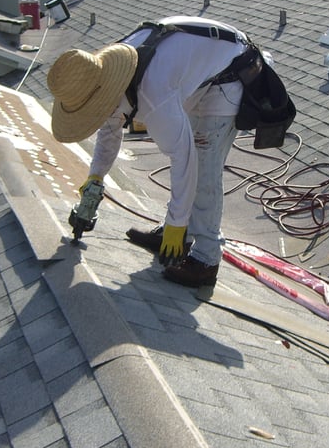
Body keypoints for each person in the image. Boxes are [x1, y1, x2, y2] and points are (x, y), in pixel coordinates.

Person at [46, 15, 255, 288]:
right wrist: (94, 179)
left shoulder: (153, 96)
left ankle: (205, 260)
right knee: (186, 158)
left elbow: (185, 158)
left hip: (232, 69)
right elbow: (109, 130)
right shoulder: (103, 75)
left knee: (203, 168)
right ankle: (178, 232)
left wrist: (177, 223)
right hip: (197, 65)